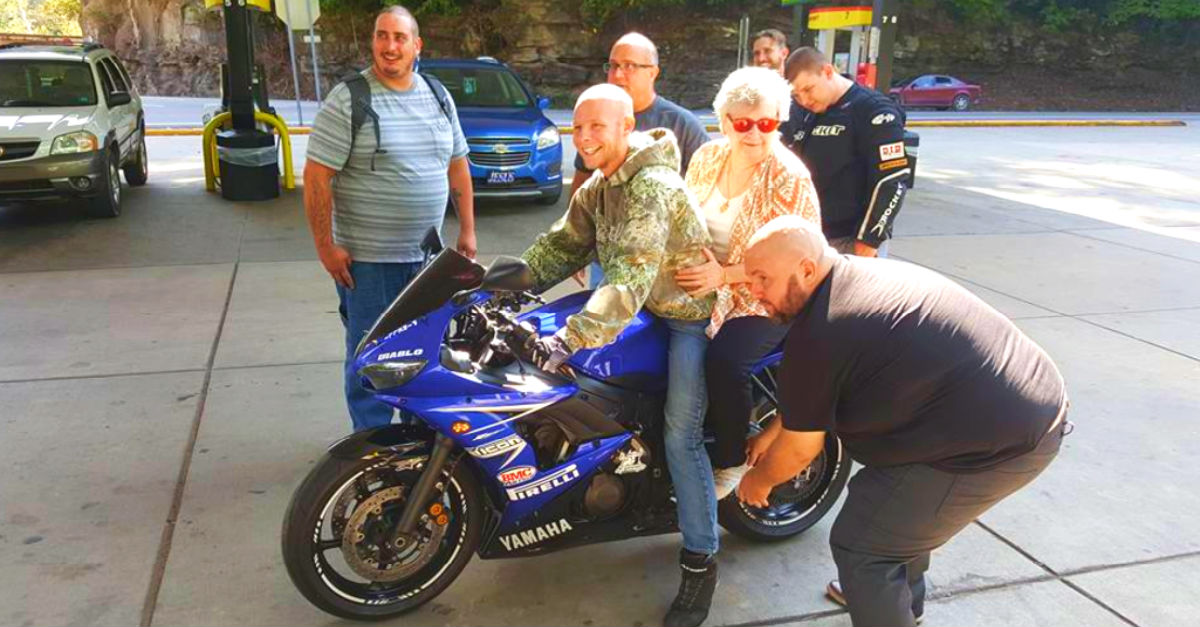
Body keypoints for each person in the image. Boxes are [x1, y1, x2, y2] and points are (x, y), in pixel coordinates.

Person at [737, 216, 1070, 627]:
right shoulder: (851, 276)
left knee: (863, 547)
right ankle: (895, 605)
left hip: (1003, 441)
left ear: (805, 269)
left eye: (761, 278)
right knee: (888, 516)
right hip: (1016, 398)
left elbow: (801, 448)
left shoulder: (821, 331)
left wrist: (760, 481)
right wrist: (776, 430)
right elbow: (813, 396)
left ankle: (882, 594)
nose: (752, 291)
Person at [521, 84, 720, 627]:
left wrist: (570, 338)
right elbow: (562, 245)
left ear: (626, 127)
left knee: (681, 436)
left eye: (597, 127)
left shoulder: (650, 185)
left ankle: (701, 562)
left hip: (684, 319)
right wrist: (503, 284)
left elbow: (628, 277)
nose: (585, 137)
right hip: (642, 312)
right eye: (578, 127)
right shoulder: (601, 184)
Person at [304, 5, 476, 432]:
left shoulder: (438, 95)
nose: (390, 46)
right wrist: (326, 246)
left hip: (428, 262)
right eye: (382, 36)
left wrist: (468, 230)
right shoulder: (350, 98)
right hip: (369, 262)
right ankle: (373, 450)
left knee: (423, 354)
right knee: (372, 360)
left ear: (417, 45)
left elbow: (458, 165)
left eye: (400, 37)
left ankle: (416, 444)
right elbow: (316, 177)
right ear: (373, 43)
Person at [672, 67, 820, 499]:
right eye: (743, 122)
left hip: (766, 293)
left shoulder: (789, 176)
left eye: (767, 123)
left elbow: (801, 259)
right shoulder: (706, 157)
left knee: (724, 360)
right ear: (724, 122)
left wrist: (725, 275)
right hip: (703, 282)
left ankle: (731, 459)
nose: (754, 133)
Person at [571, 32, 711, 289]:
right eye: (613, 65)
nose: (618, 74)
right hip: (607, 262)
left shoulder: (682, 125)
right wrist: (577, 244)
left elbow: (711, 190)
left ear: (653, 72)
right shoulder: (595, 118)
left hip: (667, 270)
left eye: (630, 66)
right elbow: (582, 183)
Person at [780, 47, 909, 257]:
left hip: (851, 239)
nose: (804, 100)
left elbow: (891, 181)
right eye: (796, 94)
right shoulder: (806, 112)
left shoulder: (874, 111)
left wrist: (869, 240)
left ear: (828, 71)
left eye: (809, 89)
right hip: (810, 236)